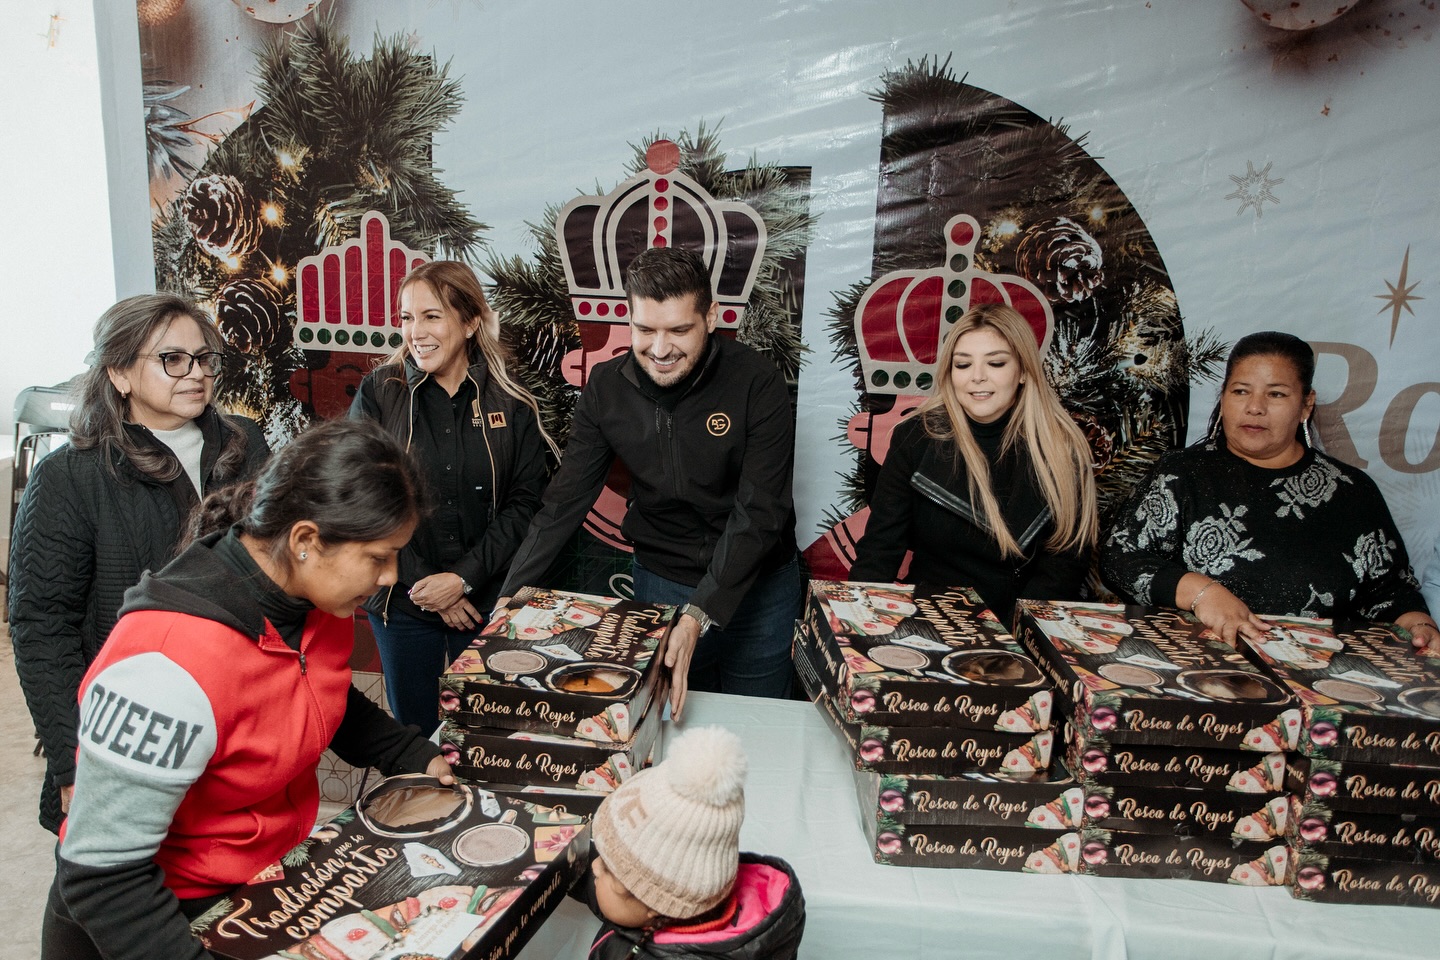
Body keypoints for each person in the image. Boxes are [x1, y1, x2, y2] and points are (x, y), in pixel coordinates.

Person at [43, 418, 455, 960]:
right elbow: (102, 876)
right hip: (155, 921)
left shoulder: (308, 599)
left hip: (259, 889)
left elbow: (312, 693)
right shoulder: (164, 667)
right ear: (306, 540)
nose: (389, 577)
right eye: (378, 557)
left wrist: (409, 755)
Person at [500, 247, 800, 719]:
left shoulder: (757, 382)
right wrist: (511, 594)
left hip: (760, 588)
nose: (660, 350)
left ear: (711, 317)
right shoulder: (605, 386)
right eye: (645, 330)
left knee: (760, 720)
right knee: (668, 721)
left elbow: (760, 512)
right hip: (662, 580)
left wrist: (701, 613)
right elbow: (564, 501)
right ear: (630, 318)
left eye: (679, 330)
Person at [9, 294, 269, 835]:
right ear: (120, 373)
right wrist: (71, 758)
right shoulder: (70, 476)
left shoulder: (247, 446)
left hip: (239, 719)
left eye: (204, 358)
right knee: (117, 899)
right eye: (172, 359)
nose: (195, 373)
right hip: (130, 729)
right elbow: (42, 628)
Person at [1101, 331, 1440, 654]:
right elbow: (1121, 558)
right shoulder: (1182, 474)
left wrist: (1419, 625)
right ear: (1223, 398)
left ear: (1306, 405)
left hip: (1319, 679)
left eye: (1276, 394)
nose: (1255, 408)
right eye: (1240, 391)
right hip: (1194, 669)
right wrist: (1201, 593)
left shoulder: (1353, 492)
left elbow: (1390, 590)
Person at [350, 260, 556, 728]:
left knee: (491, 735)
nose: (415, 331)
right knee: (416, 737)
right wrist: (427, 585)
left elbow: (526, 506)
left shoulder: (512, 400)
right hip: (401, 601)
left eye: (431, 315)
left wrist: (462, 580)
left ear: (469, 322)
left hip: (488, 602)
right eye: (406, 317)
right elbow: (358, 499)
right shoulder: (380, 392)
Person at [849, 303, 1098, 626]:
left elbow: (1063, 567)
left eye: (995, 363)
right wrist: (856, 629)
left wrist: (1010, 640)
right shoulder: (915, 437)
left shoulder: (1062, 447)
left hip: (1022, 630)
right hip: (930, 621)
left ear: (1023, 371)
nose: (977, 377)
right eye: (963, 364)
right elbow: (880, 551)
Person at [580, 726, 805, 959]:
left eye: (608, 869)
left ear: (654, 905)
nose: (596, 866)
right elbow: (623, 892)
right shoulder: (680, 894)